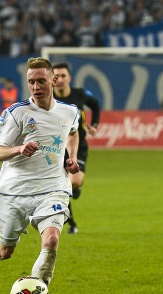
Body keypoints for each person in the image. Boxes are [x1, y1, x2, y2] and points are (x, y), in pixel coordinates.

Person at [0, 57, 80, 294]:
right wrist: (19, 149)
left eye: (40, 80)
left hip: (52, 188)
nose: (35, 86)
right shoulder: (16, 113)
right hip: (13, 192)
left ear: (53, 81)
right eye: (30, 81)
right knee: (7, 250)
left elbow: (73, 132)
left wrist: (72, 156)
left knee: (51, 239)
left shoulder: (69, 111)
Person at [52, 62, 100, 234]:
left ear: (69, 78)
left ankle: (76, 189)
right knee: (60, 185)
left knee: (74, 182)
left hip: (78, 145)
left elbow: (95, 104)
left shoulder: (80, 94)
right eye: (56, 76)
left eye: (63, 75)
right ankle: (71, 223)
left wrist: (94, 124)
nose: (60, 79)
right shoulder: (47, 98)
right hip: (56, 147)